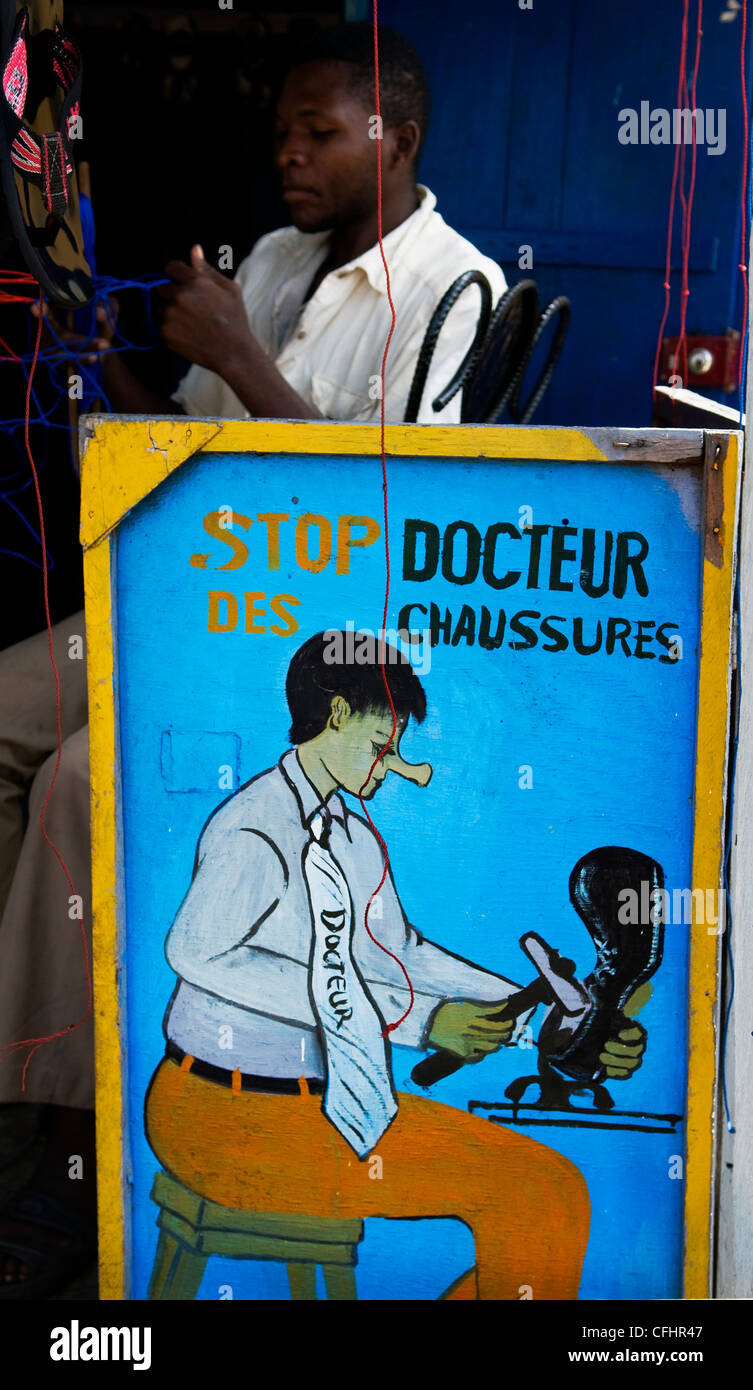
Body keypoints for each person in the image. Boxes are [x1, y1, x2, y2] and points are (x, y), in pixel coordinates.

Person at [0, 21, 508, 1293]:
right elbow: (186, 451)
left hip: (311, 645)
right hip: (185, 592)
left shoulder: (459, 292)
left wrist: (237, 349)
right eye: (279, 131)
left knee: (70, 780)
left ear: (398, 135)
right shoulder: (276, 258)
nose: (287, 155)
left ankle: (64, 1131)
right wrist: (96, 366)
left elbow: (405, 527)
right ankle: (33, 1031)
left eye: (319, 133)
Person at [144, 632, 647, 1300]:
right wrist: (422, 1022)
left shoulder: (349, 835)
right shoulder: (254, 826)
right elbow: (197, 952)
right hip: (220, 1114)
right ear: (337, 716)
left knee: (546, 1189)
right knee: (536, 1190)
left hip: (312, 1106)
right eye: (386, 741)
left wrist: (550, 1024)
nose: (397, 762)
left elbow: (403, 954)